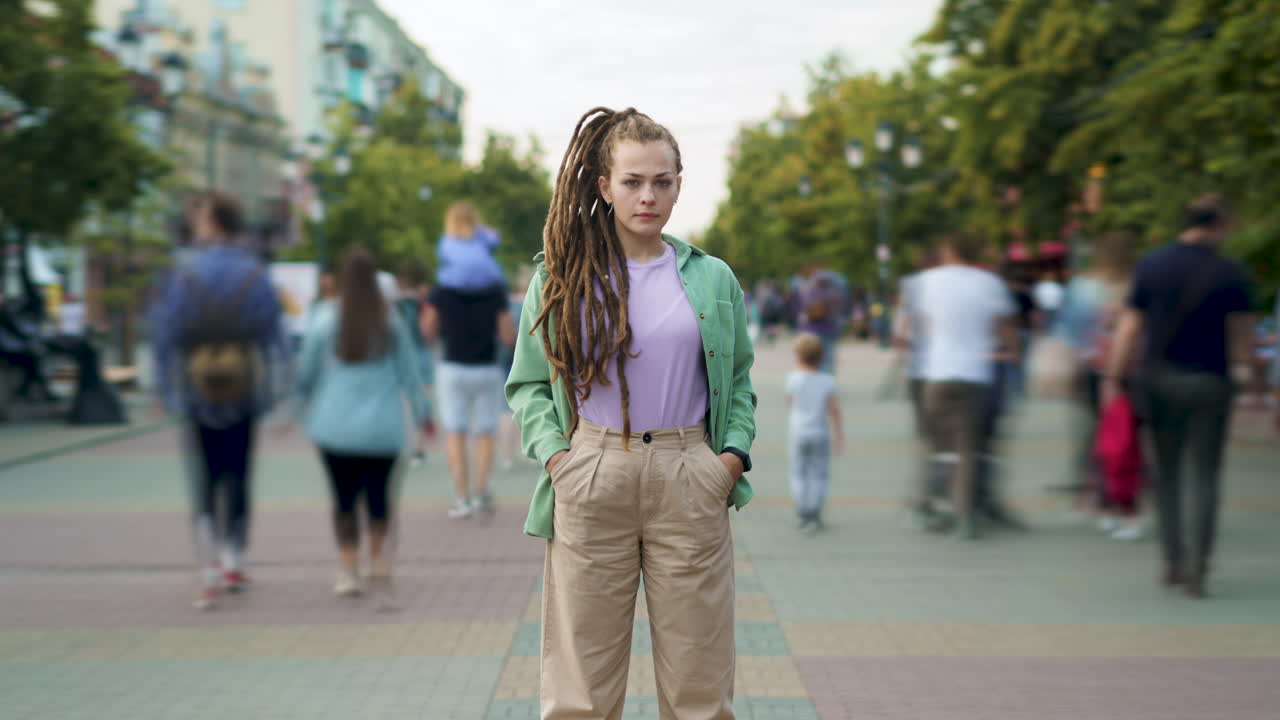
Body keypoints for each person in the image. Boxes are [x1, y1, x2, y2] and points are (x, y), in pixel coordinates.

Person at [506, 107, 756, 719]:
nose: (648, 196)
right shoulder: (562, 277)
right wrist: (559, 459)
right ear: (603, 186)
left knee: (699, 683)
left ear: (678, 184)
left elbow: (740, 378)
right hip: (593, 471)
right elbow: (528, 384)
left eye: (662, 182)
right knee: (580, 690)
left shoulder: (712, 277)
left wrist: (728, 457)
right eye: (633, 181)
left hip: (687, 472)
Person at [1104, 194, 1254, 598]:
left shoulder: (1152, 264)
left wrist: (1115, 375)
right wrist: (1251, 383)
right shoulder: (1230, 272)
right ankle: (1199, 571)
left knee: (1167, 475)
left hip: (1159, 380)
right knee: (1205, 475)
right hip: (1210, 383)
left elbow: (1129, 326)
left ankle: (1173, 561)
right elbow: (1242, 339)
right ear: (1217, 225)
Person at [149, 191, 290, 611]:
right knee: (239, 474)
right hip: (245, 386)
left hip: (198, 389)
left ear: (212, 225)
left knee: (205, 479)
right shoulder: (254, 273)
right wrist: (281, 393)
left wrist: (164, 387)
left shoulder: (185, 274)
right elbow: (275, 338)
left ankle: (209, 566)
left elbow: (165, 336)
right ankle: (235, 557)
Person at [293, 247, 431, 603]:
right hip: (383, 429)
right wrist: (423, 415)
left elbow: (306, 372)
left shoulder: (326, 318)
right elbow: (410, 376)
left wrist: (296, 407)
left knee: (343, 500)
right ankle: (380, 565)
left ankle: (348, 570)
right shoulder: (391, 321)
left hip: (334, 427)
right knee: (379, 499)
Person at [913, 233, 1018, 539]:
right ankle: (965, 515)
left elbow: (918, 325)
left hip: (936, 372)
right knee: (968, 448)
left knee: (937, 445)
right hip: (974, 374)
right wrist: (1011, 353)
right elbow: (1005, 326)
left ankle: (934, 506)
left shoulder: (927, 281)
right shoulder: (988, 283)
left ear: (948, 250)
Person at [421, 206, 517, 520]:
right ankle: (480, 493)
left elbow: (428, 329)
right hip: (487, 367)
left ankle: (460, 498)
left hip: (452, 367)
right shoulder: (493, 282)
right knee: (485, 432)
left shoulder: (444, 284)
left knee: (455, 432)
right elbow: (507, 335)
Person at [1053, 232, 1141, 539]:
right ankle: (1125, 504)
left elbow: (1071, 331)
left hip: (1095, 369)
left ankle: (1097, 502)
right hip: (1134, 370)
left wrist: (1075, 363)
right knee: (1129, 439)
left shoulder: (1084, 286)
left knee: (1099, 436)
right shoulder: (1137, 283)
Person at [786, 333, 843, 532]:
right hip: (820, 432)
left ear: (798, 357)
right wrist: (839, 437)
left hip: (798, 431)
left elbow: (790, 402)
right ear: (821, 357)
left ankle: (802, 511)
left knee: (798, 472)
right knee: (819, 473)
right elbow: (834, 410)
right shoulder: (828, 381)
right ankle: (815, 512)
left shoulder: (793, 379)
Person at [394, 261, 434, 467]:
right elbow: (428, 332)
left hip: (402, 357)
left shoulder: (394, 305)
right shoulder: (422, 303)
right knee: (421, 403)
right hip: (421, 355)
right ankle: (417, 448)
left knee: (405, 405)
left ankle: (407, 446)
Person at [437, 201, 506, 292]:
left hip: (453, 288)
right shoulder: (481, 234)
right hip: (487, 285)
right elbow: (496, 240)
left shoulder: (446, 240)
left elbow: (443, 259)